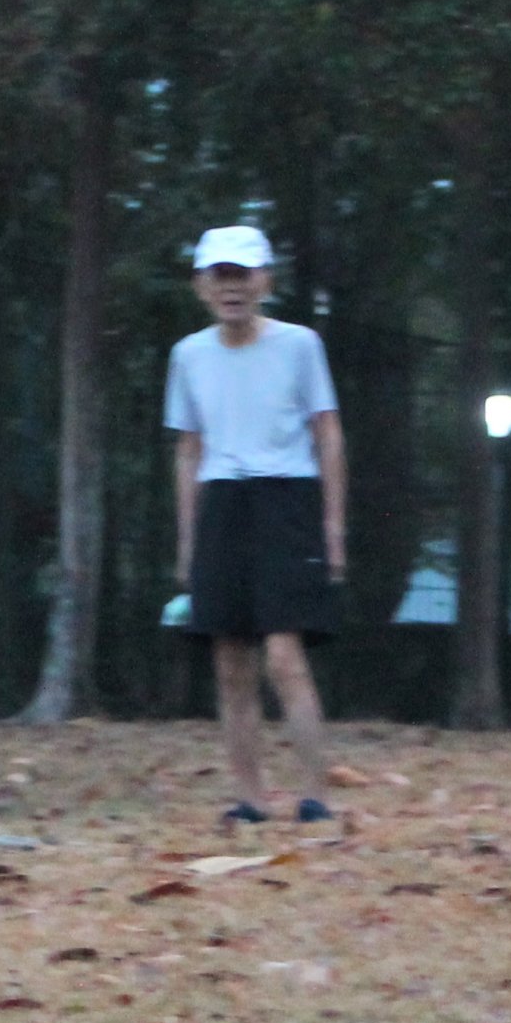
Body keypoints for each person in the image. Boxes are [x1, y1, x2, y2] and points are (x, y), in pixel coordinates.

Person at [165, 224, 344, 827]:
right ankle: (250, 797)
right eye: (221, 276)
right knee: (230, 660)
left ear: (264, 281)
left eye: (242, 275)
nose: (232, 288)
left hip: (286, 497)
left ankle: (316, 795)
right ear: (201, 286)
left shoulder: (299, 345)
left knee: (285, 655)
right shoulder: (189, 355)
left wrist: (332, 525)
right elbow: (189, 448)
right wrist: (188, 540)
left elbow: (327, 432)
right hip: (222, 500)